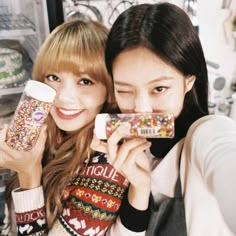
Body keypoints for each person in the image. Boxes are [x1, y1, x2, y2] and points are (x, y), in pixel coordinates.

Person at [91, 2, 236, 236]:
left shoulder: (205, 134)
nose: (142, 110)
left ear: (189, 81)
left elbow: (224, 155)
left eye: (159, 88)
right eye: (125, 90)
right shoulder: (119, 151)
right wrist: (137, 188)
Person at [0, 19, 132, 236]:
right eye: (54, 77)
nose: (62, 97)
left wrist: (29, 174)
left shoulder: (108, 165)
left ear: (110, 89)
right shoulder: (46, 132)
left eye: (85, 81)